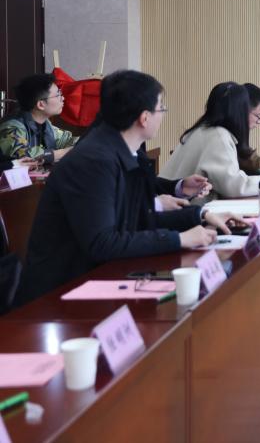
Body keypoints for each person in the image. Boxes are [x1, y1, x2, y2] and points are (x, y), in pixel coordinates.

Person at [16, 70, 240, 305]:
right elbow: (103, 243)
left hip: (98, 282)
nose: (163, 116)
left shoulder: (122, 151)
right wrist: (180, 239)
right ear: (144, 118)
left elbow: (139, 218)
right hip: (59, 297)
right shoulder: (93, 161)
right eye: (161, 108)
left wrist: (199, 216)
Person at [160, 82, 260, 198]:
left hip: (167, 203)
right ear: (238, 112)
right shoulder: (218, 136)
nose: (259, 121)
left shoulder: (202, 129)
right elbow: (233, 186)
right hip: (176, 207)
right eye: (258, 116)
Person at [0, 73, 76, 164]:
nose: (63, 98)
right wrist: (65, 152)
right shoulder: (11, 128)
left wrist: (83, 143)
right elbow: (25, 157)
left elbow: (67, 140)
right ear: (41, 104)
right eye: (57, 95)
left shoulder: (45, 124)